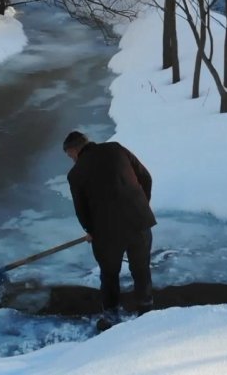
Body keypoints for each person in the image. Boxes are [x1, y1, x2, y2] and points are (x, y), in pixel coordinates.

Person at [63, 131, 156, 329]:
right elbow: (145, 177)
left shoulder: (76, 173)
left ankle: (112, 317)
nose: (72, 160)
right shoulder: (116, 149)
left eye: (70, 156)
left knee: (109, 274)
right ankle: (146, 315)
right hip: (139, 221)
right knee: (141, 269)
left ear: (74, 150)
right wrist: (142, 206)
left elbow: (82, 210)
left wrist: (91, 230)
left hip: (107, 233)